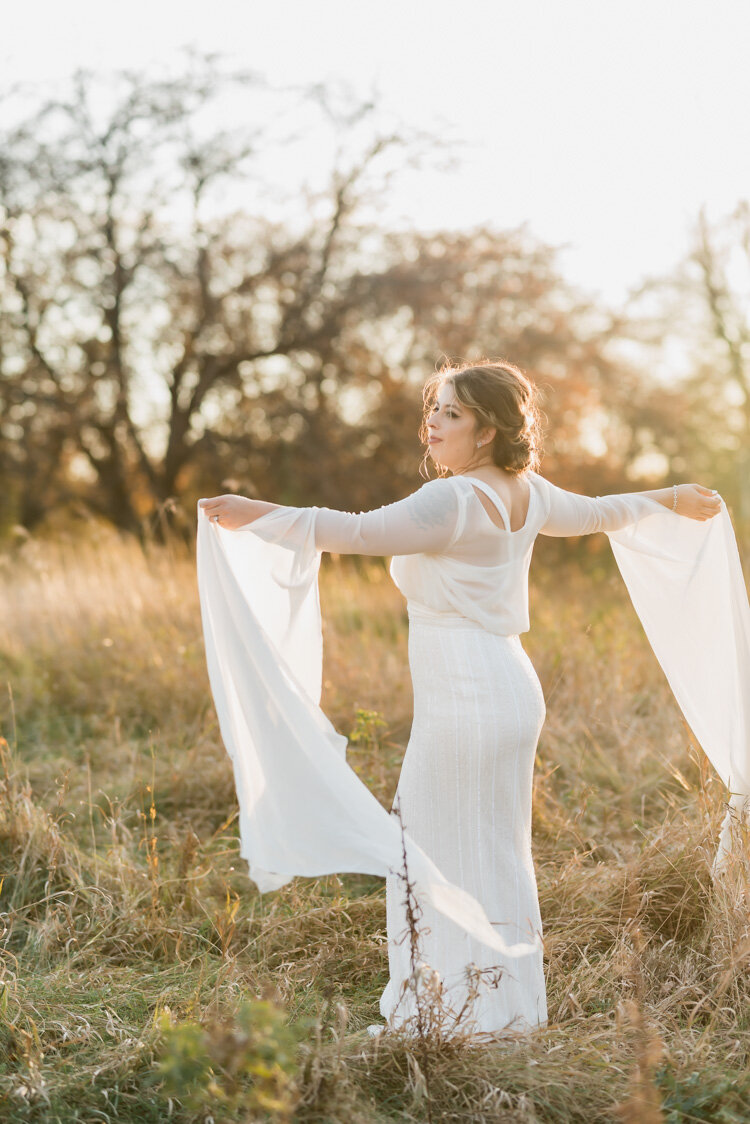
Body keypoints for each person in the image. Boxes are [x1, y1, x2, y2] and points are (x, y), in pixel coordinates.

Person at [197, 359, 742, 1039]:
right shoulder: (527, 492)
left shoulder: (452, 501)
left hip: (467, 701)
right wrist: (671, 495)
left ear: (487, 430)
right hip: (509, 693)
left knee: (428, 854)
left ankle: (449, 1020)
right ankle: (501, 1015)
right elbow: (604, 513)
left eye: (451, 413)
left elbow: (358, 533)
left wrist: (258, 515)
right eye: (434, 408)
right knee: (492, 857)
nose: (433, 422)